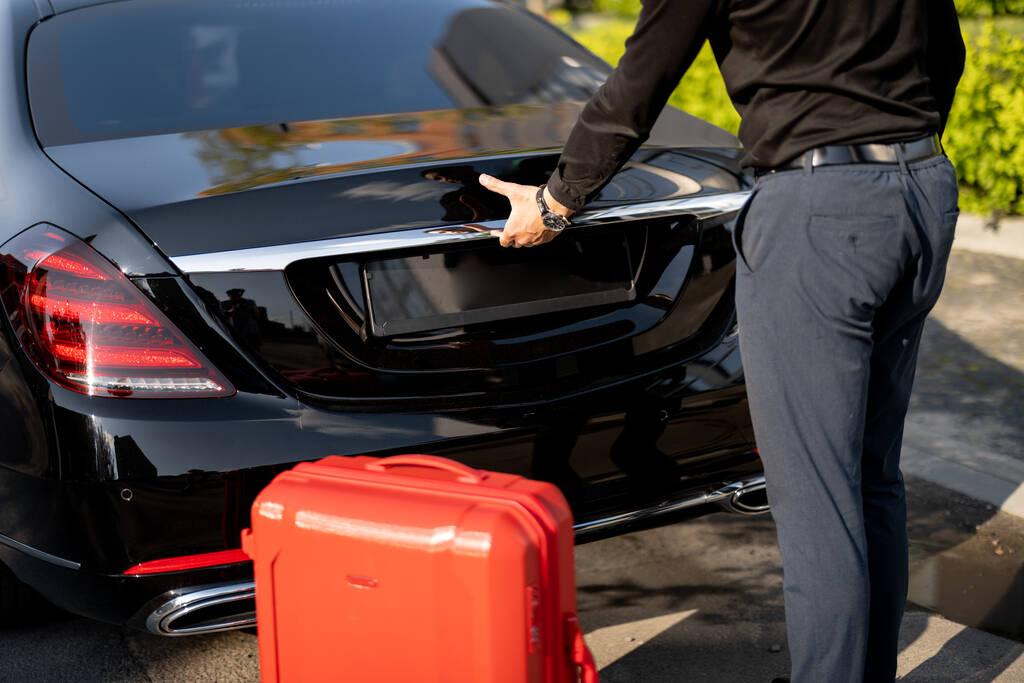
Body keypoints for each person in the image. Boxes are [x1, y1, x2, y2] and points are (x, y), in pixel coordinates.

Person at [478, 1, 965, 681]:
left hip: (820, 209)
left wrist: (556, 202)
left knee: (817, 494)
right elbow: (945, 54)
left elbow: (641, 81)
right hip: (922, 188)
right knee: (870, 473)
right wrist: (893, 156)